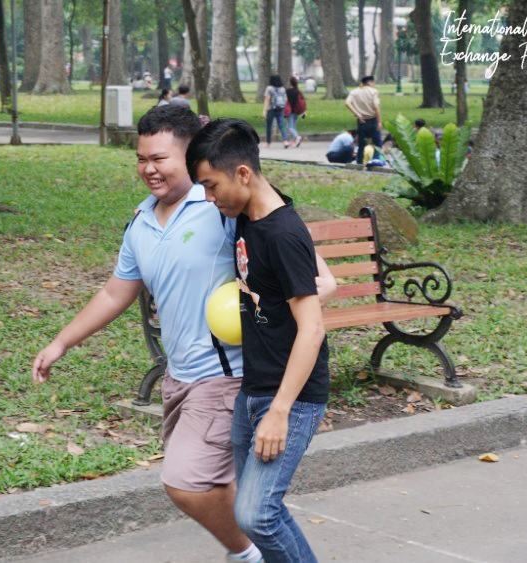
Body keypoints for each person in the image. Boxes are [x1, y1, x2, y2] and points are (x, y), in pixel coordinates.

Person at [32, 105, 335, 563]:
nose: (149, 169)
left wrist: (272, 310)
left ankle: (248, 554)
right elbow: (115, 292)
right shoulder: (142, 221)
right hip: (180, 376)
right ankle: (258, 549)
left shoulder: (223, 205)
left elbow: (314, 276)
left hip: (227, 376)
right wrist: (62, 342)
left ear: (190, 157)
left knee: (191, 484)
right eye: (141, 159)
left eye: (160, 158)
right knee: (245, 499)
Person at [187, 118, 329, 563]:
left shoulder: (283, 233)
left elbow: (313, 328)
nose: (209, 198)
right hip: (253, 388)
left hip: (290, 398)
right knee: (255, 507)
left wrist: (280, 412)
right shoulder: (249, 215)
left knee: (257, 515)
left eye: (211, 186)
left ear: (243, 173)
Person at [345, 75, 382, 164]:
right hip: (373, 120)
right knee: (377, 143)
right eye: (373, 82)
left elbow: (347, 103)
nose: (374, 84)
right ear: (370, 82)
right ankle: (375, 161)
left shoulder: (354, 92)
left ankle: (359, 162)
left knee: (361, 144)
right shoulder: (374, 92)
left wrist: (357, 114)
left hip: (361, 121)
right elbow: (376, 107)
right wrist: (379, 121)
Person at [263, 74, 289, 148]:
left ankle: (268, 143)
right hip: (280, 108)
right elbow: (286, 99)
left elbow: (267, 99)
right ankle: (285, 141)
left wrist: (264, 110)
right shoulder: (282, 89)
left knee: (269, 126)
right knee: (282, 126)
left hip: (271, 109)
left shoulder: (269, 88)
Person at [284, 77, 306, 148]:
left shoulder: (288, 91)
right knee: (293, 126)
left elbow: (286, 101)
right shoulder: (298, 91)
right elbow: (302, 102)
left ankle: (297, 137)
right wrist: (303, 111)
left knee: (290, 127)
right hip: (297, 111)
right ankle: (296, 141)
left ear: (290, 83)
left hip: (290, 111)